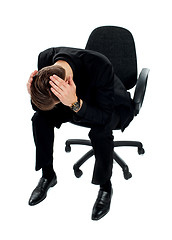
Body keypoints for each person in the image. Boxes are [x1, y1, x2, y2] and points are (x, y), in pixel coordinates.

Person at [27, 47, 134, 220]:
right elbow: (44, 105)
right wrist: (34, 94)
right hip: (69, 101)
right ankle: (48, 175)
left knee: (101, 132)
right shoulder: (45, 58)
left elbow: (104, 117)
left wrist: (75, 103)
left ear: (68, 81)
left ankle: (105, 187)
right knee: (39, 118)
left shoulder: (101, 65)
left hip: (108, 105)